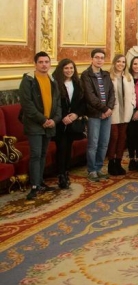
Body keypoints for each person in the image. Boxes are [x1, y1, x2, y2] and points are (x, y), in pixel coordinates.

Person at [20, 52, 61, 200]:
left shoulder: (52, 80)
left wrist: (54, 120)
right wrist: (43, 119)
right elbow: (27, 104)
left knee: (44, 154)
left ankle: (40, 182)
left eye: (46, 62)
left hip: (49, 124)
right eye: (41, 62)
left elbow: (57, 104)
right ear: (35, 64)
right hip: (35, 124)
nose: (44, 65)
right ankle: (34, 186)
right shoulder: (28, 80)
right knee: (36, 155)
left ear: (50, 64)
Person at [81, 49, 115, 183]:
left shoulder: (106, 75)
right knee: (93, 143)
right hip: (94, 114)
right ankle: (92, 170)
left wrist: (109, 109)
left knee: (104, 143)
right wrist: (105, 109)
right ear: (92, 59)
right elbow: (90, 97)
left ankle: (99, 168)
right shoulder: (86, 75)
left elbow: (112, 93)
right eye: (97, 57)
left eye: (102, 58)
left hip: (107, 114)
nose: (99, 60)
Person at [52, 58, 85, 189]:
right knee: (61, 148)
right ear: (61, 69)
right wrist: (62, 117)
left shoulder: (77, 83)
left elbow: (82, 102)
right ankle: (61, 175)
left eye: (71, 68)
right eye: (66, 68)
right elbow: (54, 104)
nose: (69, 70)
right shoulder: (55, 83)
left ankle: (66, 172)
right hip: (60, 122)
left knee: (68, 148)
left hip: (72, 122)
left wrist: (75, 114)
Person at [107, 54, 135, 176]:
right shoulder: (108, 77)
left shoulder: (128, 77)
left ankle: (118, 162)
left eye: (123, 62)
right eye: (118, 61)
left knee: (122, 138)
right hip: (113, 112)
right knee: (114, 137)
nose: (121, 64)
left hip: (126, 111)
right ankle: (111, 163)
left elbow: (133, 93)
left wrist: (133, 104)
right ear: (114, 62)